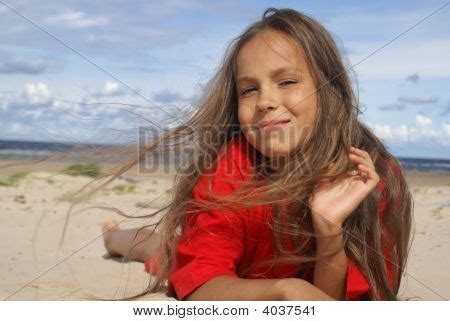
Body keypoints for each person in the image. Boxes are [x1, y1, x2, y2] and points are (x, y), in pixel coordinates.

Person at [101, 8, 412, 301]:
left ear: (329, 89)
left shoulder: (372, 177)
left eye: (287, 81)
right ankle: (114, 237)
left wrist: (328, 229)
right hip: (234, 283)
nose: (265, 101)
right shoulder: (231, 165)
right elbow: (199, 286)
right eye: (248, 89)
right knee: (161, 251)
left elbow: (335, 305)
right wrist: (285, 291)